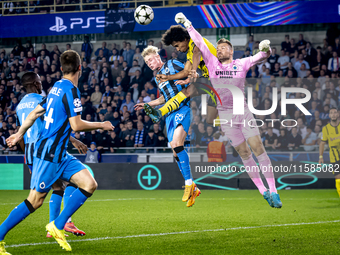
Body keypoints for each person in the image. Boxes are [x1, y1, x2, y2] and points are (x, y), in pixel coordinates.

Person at [4, 50, 114, 253]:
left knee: (89, 183)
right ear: (80, 68)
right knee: (34, 201)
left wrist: (19, 134)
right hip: (48, 155)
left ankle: (57, 224)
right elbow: (77, 125)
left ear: (61, 69)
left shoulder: (55, 88)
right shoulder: (71, 91)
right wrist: (102, 124)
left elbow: (35, 113)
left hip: (60, 154)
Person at [175, 12, 282, 208]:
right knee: (244, 153)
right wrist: (188, 24)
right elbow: (199, 40)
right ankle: (263, 191)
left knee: (258, 148)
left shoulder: (241, 63)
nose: (220, 50)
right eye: (218, 48)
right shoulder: (212, 62)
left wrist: (266, 49)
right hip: (225, 114)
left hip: (243, 111)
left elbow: (261, 56)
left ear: (231, 51)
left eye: (224, 47)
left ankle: (274, 190)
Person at [14, 72, 87, 238]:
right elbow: (51, 126)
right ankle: (64, 222)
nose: (42, 84)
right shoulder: (40, 100)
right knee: (70, 183)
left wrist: (28, 156)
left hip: (30, 152)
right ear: (35, 83)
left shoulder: (19, 106)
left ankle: (53, 228)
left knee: (56, 187)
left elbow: (21, 133)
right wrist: (74, 141)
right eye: (39, 81)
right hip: (45, 150)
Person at [135, 45, 201, 207]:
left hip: (184, 107)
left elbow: (190, 72)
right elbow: (165, 97)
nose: (150, 63)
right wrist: (148, 103)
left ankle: (189, 184)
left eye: (151, 59)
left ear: (158, 56)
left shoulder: (172, 64)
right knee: (174, 149)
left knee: (177, 143)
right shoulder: (158, 77)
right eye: (147, 62)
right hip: (170, 113)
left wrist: (189, 79)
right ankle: (193, 187)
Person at [144, 24, 218, 124]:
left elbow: (197, 52)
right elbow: (185, 71)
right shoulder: (188, 53)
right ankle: (159, 112)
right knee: (209, 120)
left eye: (177, 46)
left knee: (188, 90)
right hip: (212, 81)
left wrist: (194, 71)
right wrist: (167, 77)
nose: (177, 49)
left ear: (183, 39)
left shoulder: (195, 42)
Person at [319, 108, 340, 197]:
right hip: (334, 156)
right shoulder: (326, 128)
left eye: (335, 112)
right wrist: (320, 157)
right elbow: (322, 143)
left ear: (338, 114)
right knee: (338, 178)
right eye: (331, 113)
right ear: (329, 115)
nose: (333, 114)